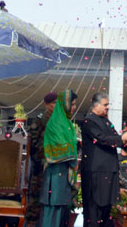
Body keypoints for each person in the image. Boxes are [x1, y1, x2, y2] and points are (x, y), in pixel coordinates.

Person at [80, 92, 127, 227]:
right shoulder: (89, 121)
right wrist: (122, 138)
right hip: (96, 172)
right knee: (95, 209)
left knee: (106, 208)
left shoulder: (106, 121)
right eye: (105, 105)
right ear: (96, 105)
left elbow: (115, 138)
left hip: (109, 170)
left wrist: (125, 141)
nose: (107, 107)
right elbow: (102, 139)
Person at [40, 90, 79, 227]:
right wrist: (74, 160)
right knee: (53, 212)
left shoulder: (66, 123)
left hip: (63, 174)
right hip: (55, 174)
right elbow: (59, 149)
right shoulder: (54, 123)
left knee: (62, 212)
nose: (74, 107)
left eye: (75, 105)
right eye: (72, 104)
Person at [26, 92, 58, 227]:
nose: (56, 106)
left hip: (54, 166)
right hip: (40, 167)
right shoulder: (40, 120)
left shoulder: (58, 120)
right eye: (53, 103)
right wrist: (38, 158)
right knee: (35, 201)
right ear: (46, 104)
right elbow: (31, 142)